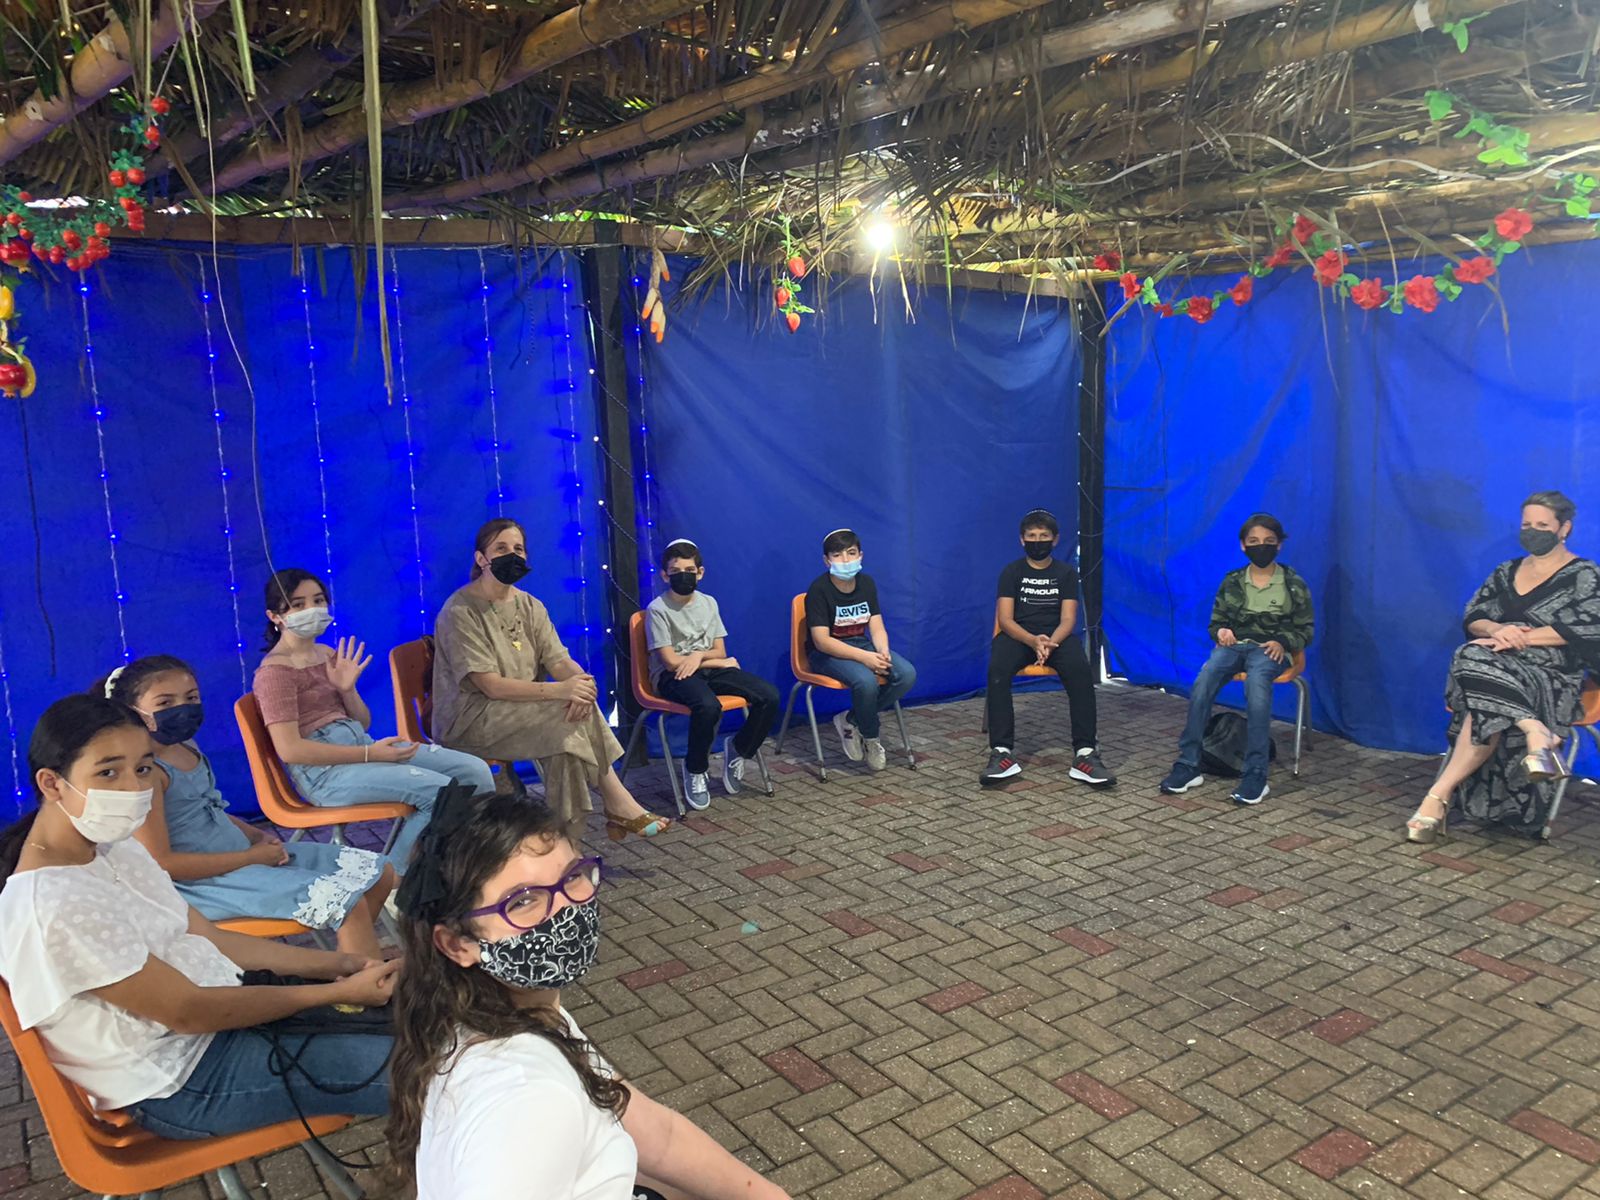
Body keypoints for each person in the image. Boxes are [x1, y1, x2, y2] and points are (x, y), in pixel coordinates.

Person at [0, 694, 397, 1138]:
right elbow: (188, 1011)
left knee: (417, 1020)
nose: (133, 789)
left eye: (144, 768)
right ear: (52, 784)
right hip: (182, 1081)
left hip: (221, 1018)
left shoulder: (116, 848)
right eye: (108, 772)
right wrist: (329, 992)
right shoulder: (52, 903)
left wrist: (343, 965)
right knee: (426, 1070)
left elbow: (208, 936)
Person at [380, 789, 792, 1200]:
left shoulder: (503, 1014)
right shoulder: (527, 1098)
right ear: (458, 945)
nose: (564, 911)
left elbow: (654, 1133)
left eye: (572, 876)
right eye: (523, 901)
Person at [104, 655, 394, 961]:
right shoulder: (145, 774)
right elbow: (162, 863)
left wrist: (255, 835)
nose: (182, 708)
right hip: (207, 883)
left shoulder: (186, 747)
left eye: (191, 698)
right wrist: (250, 858)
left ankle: (352, 962)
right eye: (165, 702)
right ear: (132, 711)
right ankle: (362, 981)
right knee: (348, 903)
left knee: (380, 873)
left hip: (243, 857)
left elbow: (207, 809)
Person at [431, 518, 673, 843]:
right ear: (481, 558)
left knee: (570, 724)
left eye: (518, 549)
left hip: (521, 709)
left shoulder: (530, 605)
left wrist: (581, 685)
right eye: (501, 548)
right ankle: (598, 817)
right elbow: (490, 685)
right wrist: (561, 691)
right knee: (564, 725)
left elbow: (557, 660)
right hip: (471, 718)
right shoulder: (460, 611)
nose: (512, 555)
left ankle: (566, 837)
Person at [255, 568, 496, 873]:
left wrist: (347, 689)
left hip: (361, 747)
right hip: (325, 775)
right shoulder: (274, 674)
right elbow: (290, 750)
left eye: (318, 600)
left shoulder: (327, 654)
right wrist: (370, 754)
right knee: (441, 792)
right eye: (298, 604)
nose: (312, 610)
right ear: (275, 616)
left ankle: (463, 862)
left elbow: (363, 722)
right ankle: (394, 880)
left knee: (473, 771)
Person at [1407, 491, 1600, 842]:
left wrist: (1521, 638)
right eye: (1527, 525)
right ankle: (1535, 730)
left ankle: (1438, 795)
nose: (1532, 531)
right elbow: (1474, 616)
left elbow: (1590, 628)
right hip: (1496, 665)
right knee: (1474, 656)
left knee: (1474, 672)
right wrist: (1497, 629)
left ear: (1564, 528)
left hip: (1551, 674)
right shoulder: (1506, 571)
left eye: (1542, 525)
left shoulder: (1584, 574)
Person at [1159, 513, 1315, 807]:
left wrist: (1283, 642)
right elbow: (1216, 622)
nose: (1261, 546)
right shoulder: (1233, 581)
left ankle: (1256, 774)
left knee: (1257, 690)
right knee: (1203, 683)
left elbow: (1305, 629)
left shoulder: (1293, 583)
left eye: (1269, 541)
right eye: (1254, 541)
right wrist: (1221, 631)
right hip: (1234, 648)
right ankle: (1188, 764)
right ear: (1243, 545)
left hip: (1269, 651)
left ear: (1279, 545)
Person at [981, 509, 1115, 788]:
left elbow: (1068, 619)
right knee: (997, 670)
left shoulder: (1066, 574)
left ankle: (1085, 753)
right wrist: (1032, 641)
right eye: (1031, 536)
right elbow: (1005, 620)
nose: (1037, 541)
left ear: (1055, 540)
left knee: (1080, 671)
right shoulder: (1011, 572)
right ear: (1022, 540)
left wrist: (1050, 642)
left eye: (1044, 536)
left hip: (1057, 638)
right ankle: (1002, 752)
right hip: (1019, 636)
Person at [645, 539, 780, 810]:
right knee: (708, 706)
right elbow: (670, 662)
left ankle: (739, 749)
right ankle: (695, 769)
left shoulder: (709, 603)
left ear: (700, 573)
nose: (683, 576)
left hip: (708, 668)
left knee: (769, 696)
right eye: (675, 571)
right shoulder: (657, 609)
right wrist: (716, 660)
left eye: (689, 570)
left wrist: (699, 656)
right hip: (673, 677)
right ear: (664, 575)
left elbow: (720, 650)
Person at [805, 529, 917, 772]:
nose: (846, 560)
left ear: (861, 555)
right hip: (827, 653)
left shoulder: (866, 583)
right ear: (826, 560)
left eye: (851, 553)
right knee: (865, 681)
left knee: (906, 674)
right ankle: (871, 737)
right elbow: (822, 641)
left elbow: (876, 626)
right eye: (837, 555)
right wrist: (866, 658)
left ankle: (851, 719)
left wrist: (883, 651)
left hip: (861, 644)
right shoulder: (818, 589)